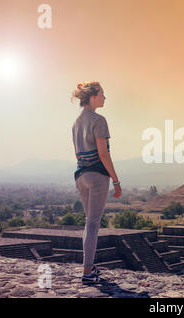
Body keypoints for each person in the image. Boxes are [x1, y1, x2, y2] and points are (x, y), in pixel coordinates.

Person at [71, 81, 122, 284]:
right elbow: (103, 154)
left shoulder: (75, 123)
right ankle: (86, 273)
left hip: (81, 176)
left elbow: (77, 154)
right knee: (93, 224)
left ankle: (89, 267)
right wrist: (116, 181)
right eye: (102, 94)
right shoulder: (99, 120)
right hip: (97, 176)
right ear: (92, 97)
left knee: (88, 223)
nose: (104, 98)